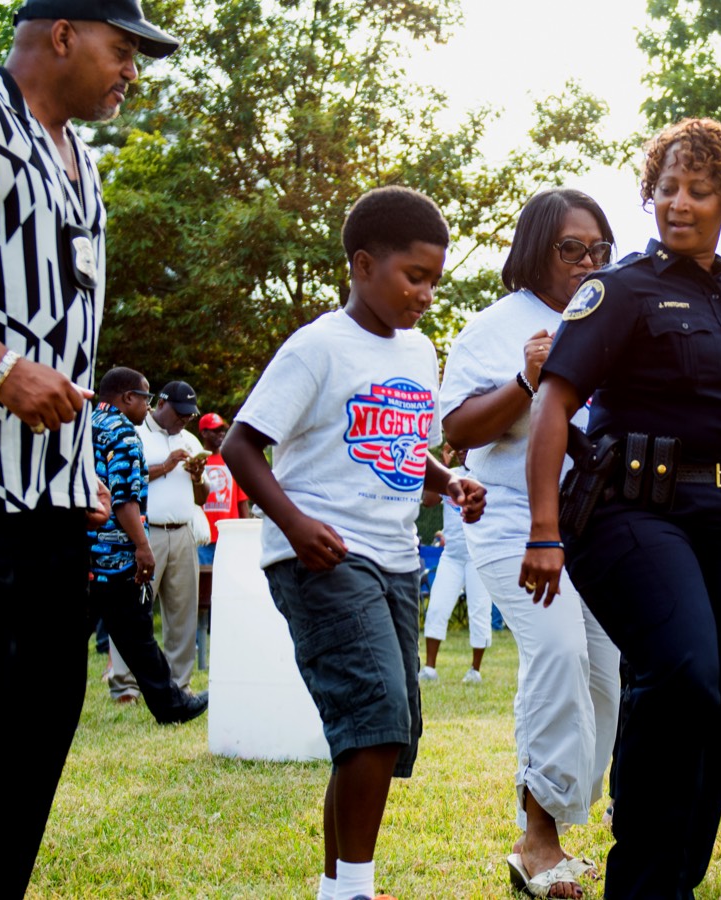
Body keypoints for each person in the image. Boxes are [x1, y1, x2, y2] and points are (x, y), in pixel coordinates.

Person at [0, 2, 177, 893]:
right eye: (122, 47)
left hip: (57, 502)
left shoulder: (83, 166)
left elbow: (68, 331)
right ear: (62, 32)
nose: (132, 71)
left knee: (43, 716)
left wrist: (91, 470)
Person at [518, 119, 721, 900]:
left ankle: (677, 882)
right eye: (667, 188)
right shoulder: (619, 290)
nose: (680, 203)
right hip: (630, 511)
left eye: (699, 189)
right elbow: (553, 407)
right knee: (684, 673)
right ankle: (640, 883)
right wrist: (543, 532)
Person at [221, 186, 486, 900]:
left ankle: (339, 885)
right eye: (414, 276)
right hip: (325, 557)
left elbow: (405, 449)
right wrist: (295, 524)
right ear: (363, 264)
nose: (426, 293)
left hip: (397, 559)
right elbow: (241, 445)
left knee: (386, 728)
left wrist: (449, 481)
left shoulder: (419, 348)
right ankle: (353, 893)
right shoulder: (317, 347)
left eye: (435, 278)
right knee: (373, 716)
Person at [438, 187, 622, 897]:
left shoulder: (610, 319)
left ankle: (558, 822)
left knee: (606, 674)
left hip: (595, 522)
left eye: (597, 250)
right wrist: (525, 376)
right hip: (511, 517)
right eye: (570, 248)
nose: (585, 262)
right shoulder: (495, 325)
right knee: (558, 650)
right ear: (534, 248)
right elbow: (461, 432)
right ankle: (536, 837)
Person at [85, 366, 209, 719]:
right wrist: (142, 546)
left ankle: (171, 704)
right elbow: (125, 498)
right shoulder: (124, 432)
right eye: (144, 397)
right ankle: (172, 706)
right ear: (127, 398)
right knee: (137, 633)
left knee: (132, 631)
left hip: (88, 551)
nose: (146, 405)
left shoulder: (89, 424)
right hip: (115, 552)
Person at [119, 379, 206, 695]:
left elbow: (203, 496)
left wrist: (198, 476)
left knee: (182, 614)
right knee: (134, 610)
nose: (184, 419)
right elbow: (123, 479)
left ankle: (178, 683)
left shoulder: (191, 440)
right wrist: (167, 465)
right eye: (180, 412)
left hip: (183, 532)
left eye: (189, 414)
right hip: (146, 532)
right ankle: (126, 685)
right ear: (161, 404)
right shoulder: (136, 434)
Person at [418, 446, 491, 685]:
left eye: (467, 448)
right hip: (451, 556)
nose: (461, 452)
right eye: (459, 449)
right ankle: (429, 668)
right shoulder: (451, 476)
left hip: (477, 556)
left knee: (479, 611)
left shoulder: (486, 474)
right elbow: (428, 501)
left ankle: (476, 670)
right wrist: (445, 470)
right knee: (437, 607)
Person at [198, 411, 251, 561]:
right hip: (204, 538)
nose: (221, 434)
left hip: (229, 536)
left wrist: (246, 534)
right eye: (215, 431)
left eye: (222, 430)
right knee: (205, 582)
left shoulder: (232, 460)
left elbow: (242, 501)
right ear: (204, 433)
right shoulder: (198, 459)